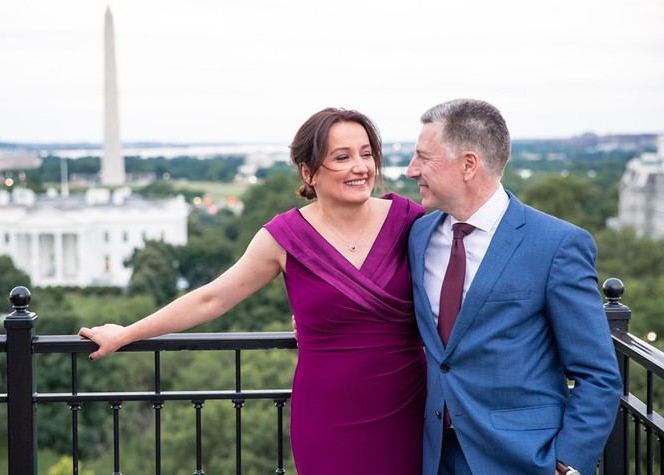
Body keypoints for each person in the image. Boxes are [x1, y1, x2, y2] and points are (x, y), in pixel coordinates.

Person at [79, 107, 427, 473]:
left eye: (366, 154)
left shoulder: (411, 222)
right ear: (308, 172)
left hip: (407, 410)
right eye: (343, 157)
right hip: (327, 418)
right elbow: (211, 299)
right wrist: (127, 333)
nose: (360, 167)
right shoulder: (285, 237)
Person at [405, 98, 622, 475]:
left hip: (522, 459)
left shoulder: (557, 245)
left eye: (424, 158)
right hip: (433, 455)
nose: (411, 170)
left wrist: (568, 462)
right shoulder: (419, 235)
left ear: (468, 164)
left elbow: (598, 374)